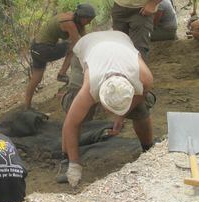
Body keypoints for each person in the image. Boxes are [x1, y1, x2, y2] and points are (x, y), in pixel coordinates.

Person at [61, 31, 155, 187]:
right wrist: (75, 165)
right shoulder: (90, 88)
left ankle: (148, 149)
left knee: (140, 109)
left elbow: (142, 94)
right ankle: (67, 159)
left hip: (120, 40)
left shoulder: (144, 77)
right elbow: (71, 124)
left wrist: (121, 115)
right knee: (76, 112)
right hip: (87, 46)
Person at [25, 4, 96, 109]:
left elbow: (85, 37)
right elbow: (79, 45)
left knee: (36, 78)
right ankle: (62, 74)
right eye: (89, 20)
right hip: (43, 48)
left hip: (35, 48)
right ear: (82, 17)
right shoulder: (69, 23)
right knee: (73, 48)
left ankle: (27, 106)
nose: (89, 22)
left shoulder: (75, 20)